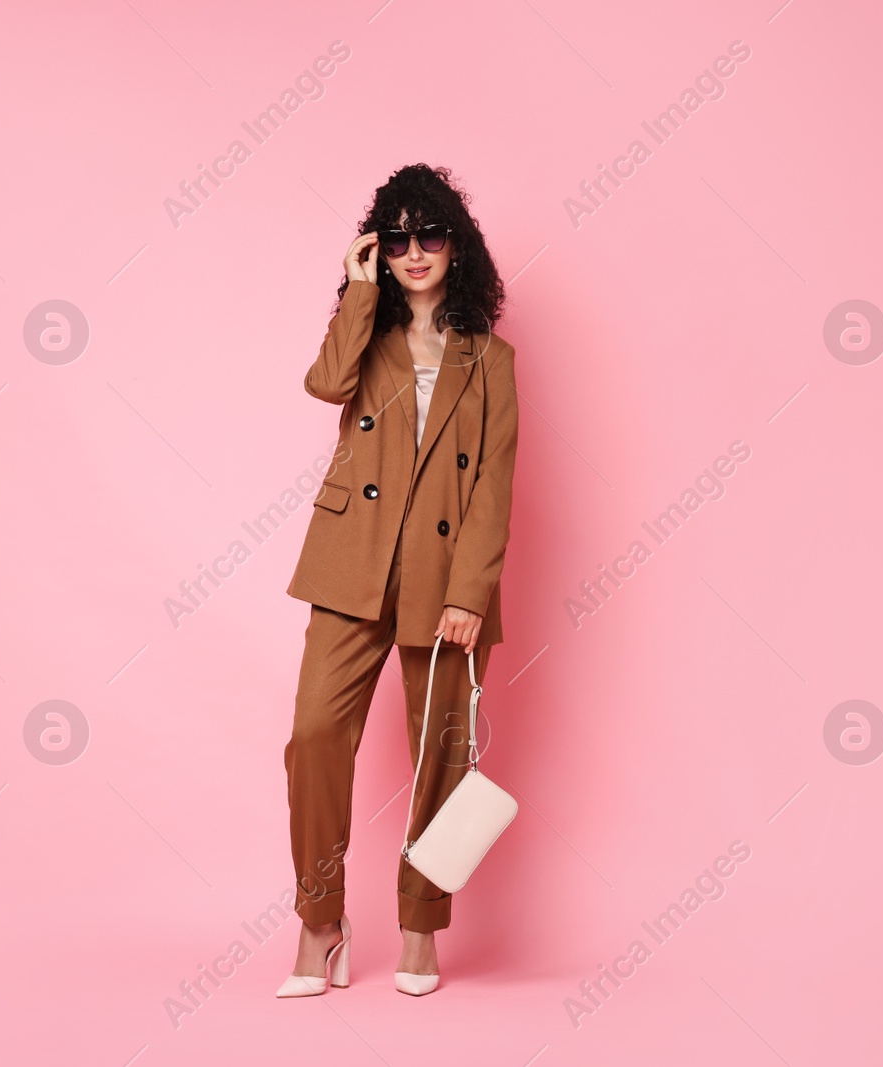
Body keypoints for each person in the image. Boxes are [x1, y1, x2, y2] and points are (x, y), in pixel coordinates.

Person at [276, 164, 519, 998]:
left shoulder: (492, 359)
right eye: (400, 236)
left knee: (438, 759)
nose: (417, 251)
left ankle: (420, 930)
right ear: (381, 248)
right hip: (351, 566)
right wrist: (354, 290)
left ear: (458, 244)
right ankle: (320, 925)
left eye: (433, 233)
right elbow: (325, 385)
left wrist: (470, 592)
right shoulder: (365, 336)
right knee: (313, 736)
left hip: (443, 582)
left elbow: (492, 483)